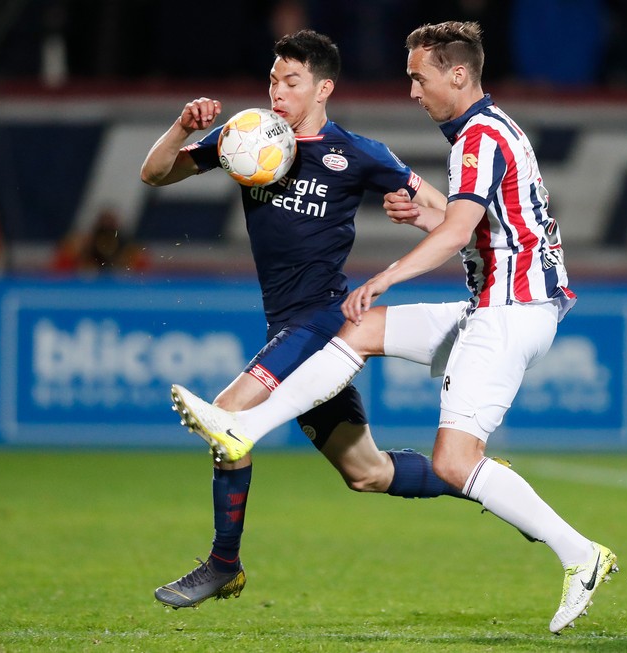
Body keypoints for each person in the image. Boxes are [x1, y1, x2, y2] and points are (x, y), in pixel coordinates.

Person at [170, 21, 618, 634]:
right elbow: (480, 229)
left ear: (457, 74)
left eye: (418, 77)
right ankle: (246, 427)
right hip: (494, 303)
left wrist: (387, 275)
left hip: (511, 310)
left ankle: (580, 553)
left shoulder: (481, 135)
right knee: (359, 332)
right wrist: (421, 222)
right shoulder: (485, 131)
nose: (412, 91)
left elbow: (458, 232)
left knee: (455, 462)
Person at [141, 29, 465, 610]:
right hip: (285, 326)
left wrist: (423, 217)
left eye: (291, 82)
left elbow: (451, 214)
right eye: (273, 80)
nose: (278, 92)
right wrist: (183, 128)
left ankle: (224, 564)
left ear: (323, 89)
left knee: (228, 416)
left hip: (322, 323)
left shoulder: (358, 153)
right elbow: (156, 174)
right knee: (366, 473)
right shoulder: (245, 137)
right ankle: (480, 479)